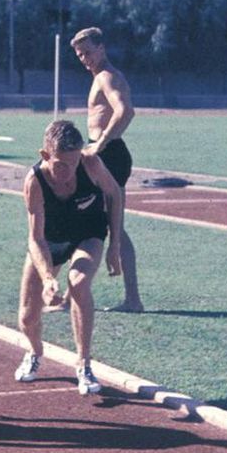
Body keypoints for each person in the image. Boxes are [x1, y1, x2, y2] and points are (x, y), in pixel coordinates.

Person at [14, 120, 123, 395]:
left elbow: (115, 195)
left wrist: (115, 245)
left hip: (88, 232)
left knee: (79, 283)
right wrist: (47, 278)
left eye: (73, 164)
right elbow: (36, 239)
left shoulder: (90, 163)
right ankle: (35, 352)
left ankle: (84, 364)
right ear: (45, 155)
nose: (68, 171)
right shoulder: (34, 181)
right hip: (50, 239)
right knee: (27, 317)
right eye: (61, 164)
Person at [67, 26, 143, 313]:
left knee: (100, 223)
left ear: (102, 48)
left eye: (88, 52)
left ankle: (129, 299)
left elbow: (125, 111)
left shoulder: (107, 76)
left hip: (108, 154)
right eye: (79, 55)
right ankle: (131, 300)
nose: (84, 59)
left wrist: (101, 143)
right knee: (110, 226)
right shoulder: (101, 76)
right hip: (104, 153)